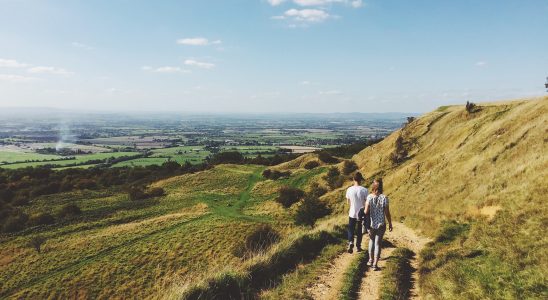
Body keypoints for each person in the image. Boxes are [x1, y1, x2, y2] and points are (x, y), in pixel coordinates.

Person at [364, 178, 392, 270]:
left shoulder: (369, 197)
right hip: (381, 223)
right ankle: (375, 264)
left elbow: (366, 211)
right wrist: (390, 223)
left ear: (373, 188)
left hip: (371, 223)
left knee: (371, 241)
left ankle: (370, 260)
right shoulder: (384, 198)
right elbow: (387, 213)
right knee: (378, 243)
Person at [345, 172, 368, 253]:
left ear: (353, 179)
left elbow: (348, 202)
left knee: (351, 229)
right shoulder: (364, 190)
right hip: (361, 213)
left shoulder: (349, 189)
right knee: (359, 231)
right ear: (361, 180)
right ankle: (358, 247)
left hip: (352, 212)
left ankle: (351, 242)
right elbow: (366, 203)